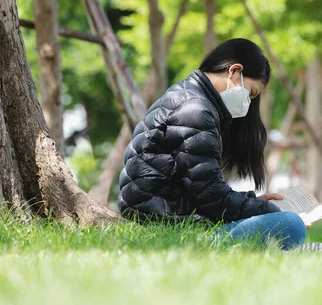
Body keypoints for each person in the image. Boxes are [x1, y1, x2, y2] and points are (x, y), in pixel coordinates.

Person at [117, 38, 306, 250]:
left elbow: (202, 188)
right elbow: (210, 197)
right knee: (291, 224)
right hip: (175, 231)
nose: (249, 103)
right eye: (251, 93)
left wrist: (255, 201)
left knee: (282, 224)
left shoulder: (186, 96)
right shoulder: (195, 111)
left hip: (170, 219)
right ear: (234, 71)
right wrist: (263, 208)